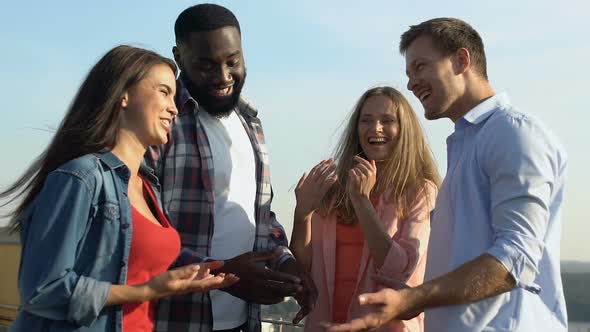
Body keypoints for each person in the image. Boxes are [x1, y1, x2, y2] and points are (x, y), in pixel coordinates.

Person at [324, 18, 568, 332]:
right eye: (409, 73)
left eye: (420, 66)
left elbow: (516, 258)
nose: (411, 83)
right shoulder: (465, 144)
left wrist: (410, 301)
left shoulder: (513, 133)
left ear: (461, 60)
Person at [0, 45, 238, 332]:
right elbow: (42, 288)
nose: (174, 108)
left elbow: (137, 259)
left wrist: (202, 271)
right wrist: (145, 291)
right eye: (164, 92)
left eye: (174, 96)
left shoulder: (149, 184)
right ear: (123, 95)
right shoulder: (80, 178)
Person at [146, 4, 314, 332]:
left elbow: (262, 218)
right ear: (179, 58)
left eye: (232, 62)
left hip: (243, 322)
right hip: (173, 321)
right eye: (206, 65)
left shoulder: (250, 121)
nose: (223, 77)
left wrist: (288, 266)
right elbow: (140, 231)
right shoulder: (163, 121)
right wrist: (221, 275)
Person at [290, 86, 440, 332]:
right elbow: (306, 266)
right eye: (366, 120)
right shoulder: (335, 188)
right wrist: (303, 213)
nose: (376, 128)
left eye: (387, 120)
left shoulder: (419, 191)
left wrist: (362, 202)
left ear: (404, 130)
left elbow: (400, 271)